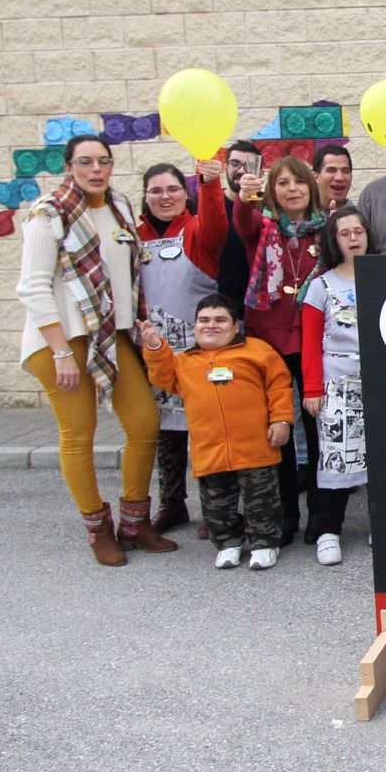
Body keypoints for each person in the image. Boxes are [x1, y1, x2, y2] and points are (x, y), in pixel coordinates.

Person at [16, 134, 176, 566]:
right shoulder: (48, 215)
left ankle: (134, 522)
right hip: (61, 341)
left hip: (109, 336)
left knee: (144, 423)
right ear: (69, 166)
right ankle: (97, 529)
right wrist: (61, 352)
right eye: (85, 162)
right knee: (78, 434)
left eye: (103, 161)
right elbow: (31, 287)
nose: (96, 169)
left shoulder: (119, 206)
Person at [138, 294, 294, 570]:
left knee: (262, 502)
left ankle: (265, 544)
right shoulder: (184, 361)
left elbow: (279, 386)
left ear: (235, 326)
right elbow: (162, 377)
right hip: (210, 449)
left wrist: (281, 420)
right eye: (204, 320)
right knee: (216, 505)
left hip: (256, 447)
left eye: (220, 320)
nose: (211, 325)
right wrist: (154, 345)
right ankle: (228, 543)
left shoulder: (258, 351)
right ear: (195, 326)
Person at [234, 155, 325, 546]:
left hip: (312, 339)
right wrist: (244, 197)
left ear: (311, 187)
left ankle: (320, 517)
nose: (292, 190)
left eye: (299, 182)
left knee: (317, 430)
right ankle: (286, 513)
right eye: (284, 183)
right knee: (279, 430)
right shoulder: (264, 226)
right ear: (273, 190)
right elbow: (241, 221)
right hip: (268, 338)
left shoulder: (326, 230)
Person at [136, 157, 227, 533]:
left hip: (198, 349)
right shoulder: (133, 237)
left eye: (173, 188)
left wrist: (209, 185)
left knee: (206, 429)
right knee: (166, 433)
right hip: (154, 350)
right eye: (156, 190)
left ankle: (215, 508)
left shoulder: (195, 230)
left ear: (185, 193)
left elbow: (218, 226)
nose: (165, 196)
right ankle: (172, 503)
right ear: (144, 197)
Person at [300, 206, 373, 566]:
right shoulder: (321, 285)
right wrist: (312, 389)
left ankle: (383, 522)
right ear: (334, 239)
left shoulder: (380, 278)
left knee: (381, 456)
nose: (354, 238)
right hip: (336, 383)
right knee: (335, 457)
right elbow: (310, 342)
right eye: (346, 233)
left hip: (378, 381)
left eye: (359, 231)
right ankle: (329, 531)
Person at [218, 140, 263, 307]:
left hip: (259, 309)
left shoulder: (269, 207)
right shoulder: (209, 206)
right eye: (235, 164)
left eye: (249, 165)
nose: (242, 171)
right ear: (226, 168)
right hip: (220, 310)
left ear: (260, 174)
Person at [313, 145, 354, 210]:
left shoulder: (361, 218)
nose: (339, 178)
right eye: (331, 170)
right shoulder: (299, 217)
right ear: (316, 177)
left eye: (345, 171)